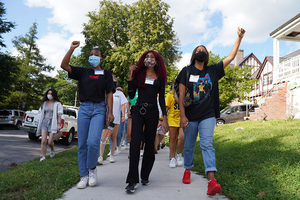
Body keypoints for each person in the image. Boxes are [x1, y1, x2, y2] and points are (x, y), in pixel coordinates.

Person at [177, 27, 246, 195]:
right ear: (194, 55)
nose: (201, 51)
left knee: (207, 145)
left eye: (204, 50)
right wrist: (183, 116)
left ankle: (211, 181)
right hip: (191, 116)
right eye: (198, 50)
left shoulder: (212, 70)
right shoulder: (186, 71)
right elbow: (180, 96)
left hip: (207, 115)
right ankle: (187, 169)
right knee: (188, 146)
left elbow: (230, 57)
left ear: (206, 56)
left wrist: (239, 38)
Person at [61, 41, 115, 189]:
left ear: (101, 59)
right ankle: (83, 175)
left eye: (96, 55)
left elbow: (110, 93)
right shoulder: (83, 72)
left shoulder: (106, 73)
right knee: (82, 144)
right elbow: (64, 65)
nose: (93, 56)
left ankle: (92, 169)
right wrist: (71, 49)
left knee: (93, 142)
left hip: (99, 109)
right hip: (84, 109)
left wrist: (110, 111)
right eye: (91, 54)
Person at [125, 50, 168, 193]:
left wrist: (165, 118)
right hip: (138, 110)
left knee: (150, 145)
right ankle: (132, 180)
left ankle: (144, 175)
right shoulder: (139, 74)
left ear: (157, 61)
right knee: (135, 142)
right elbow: (131, 94)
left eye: (152, 57)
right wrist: (130, 78)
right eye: (147, 57)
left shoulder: (160, 77)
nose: (149, 59)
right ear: (143, 59)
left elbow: (161, 99)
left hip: (152, 112)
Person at [101, 81, 126, 163]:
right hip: (106, 118)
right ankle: (100, 156)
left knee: (114, 137)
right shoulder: (105, 92)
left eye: (115, 82)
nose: (113, 83)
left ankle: (112, 155)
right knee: (104, 137)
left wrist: (123, 116)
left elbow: (123, 105)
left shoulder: (120, 94)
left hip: (116, 118)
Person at [37, 88, 63, 162]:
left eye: (51, 93)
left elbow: (59, 115)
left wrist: (58, 124)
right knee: (43, 141)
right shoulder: (44, 103)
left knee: (50, 142)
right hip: (44, 122)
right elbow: (40, 113)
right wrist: (40, 120)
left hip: (53, 123)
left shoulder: (57, 104)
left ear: (54, 95)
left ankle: (52, 149)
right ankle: (43, 157)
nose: (49, 95)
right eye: (48, 93)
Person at [166, 80, 184, 168]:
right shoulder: (170, 94)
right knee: (172, 138)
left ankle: (178, 154)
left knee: (182, 137)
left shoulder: (185, 92)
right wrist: (162, 120)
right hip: (172, 118)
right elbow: (166, 108)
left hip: (182, 118)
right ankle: (173, 158)